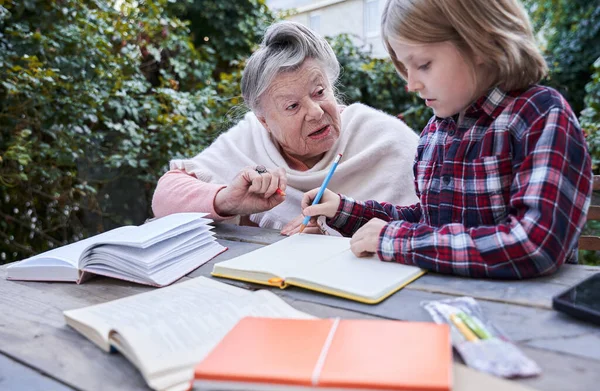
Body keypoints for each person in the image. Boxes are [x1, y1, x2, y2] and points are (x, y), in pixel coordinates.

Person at [301, 0, 593, 278]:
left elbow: (535, 244)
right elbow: (431, 223)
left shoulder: (539, 115)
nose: (411, 84)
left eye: (424, 64)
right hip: (440, 304)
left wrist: (396, 240)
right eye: (405, 67)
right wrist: (346, 210)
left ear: (479, 42)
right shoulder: (435, 132)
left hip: (522, 314)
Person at [152, 21, 419, 235]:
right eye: (292, 106)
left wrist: (333, 232)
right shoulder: (249, 138)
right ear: (264, 121)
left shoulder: (384, 137)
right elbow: (165, 195)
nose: (316, 112)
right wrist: (227, 200)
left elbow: (428, 223)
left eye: (319, 91)